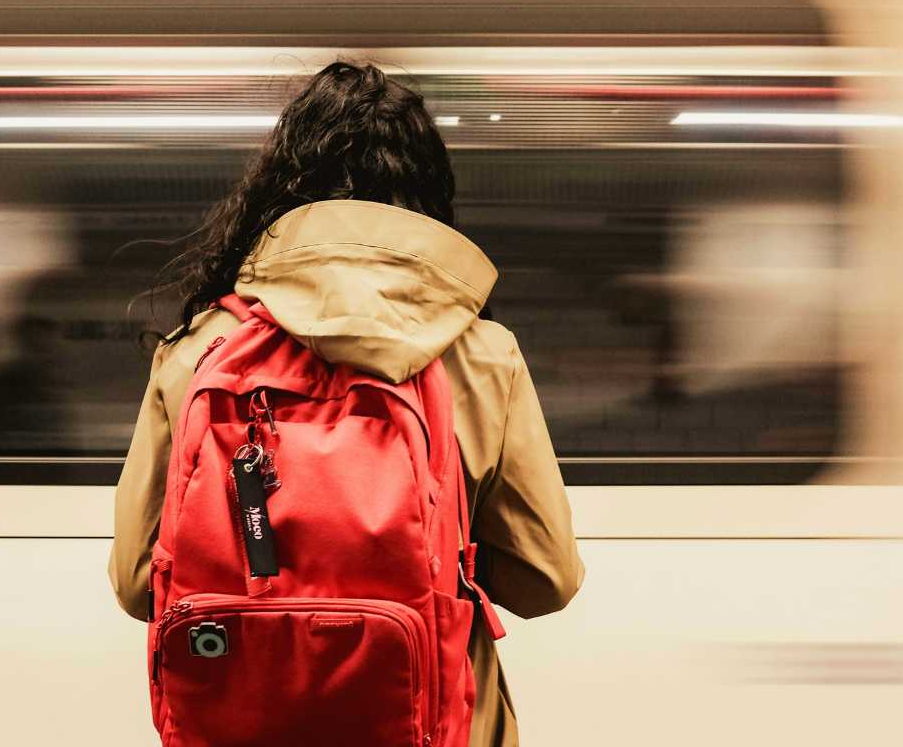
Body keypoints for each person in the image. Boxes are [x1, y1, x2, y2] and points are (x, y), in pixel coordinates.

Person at [108, 60, 584, 747]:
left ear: (278, 189)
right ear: (427, 193)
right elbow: (548, 580)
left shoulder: (197, 351)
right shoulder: (483, 355)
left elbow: (135, 584)